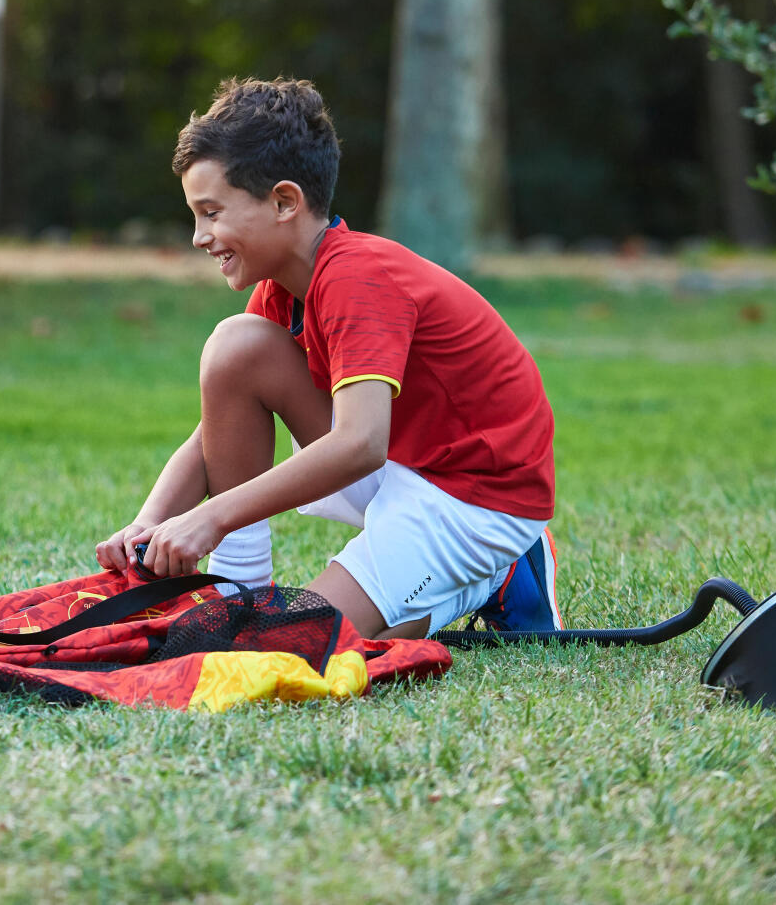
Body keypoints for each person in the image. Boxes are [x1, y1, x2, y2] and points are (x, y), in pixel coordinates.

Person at [94, 78, 562, 641]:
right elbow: (213, 432)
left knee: (294, 646)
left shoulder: (357, 277)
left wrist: (210, 518)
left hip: (471, 496)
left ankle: (501, 573)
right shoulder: (281, 286)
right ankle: (237, 593)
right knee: (235, 347)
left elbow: (360, 444)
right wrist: (152, 523)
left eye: (212, 213)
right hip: (398, 464)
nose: (199, 236)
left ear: (284, 202)